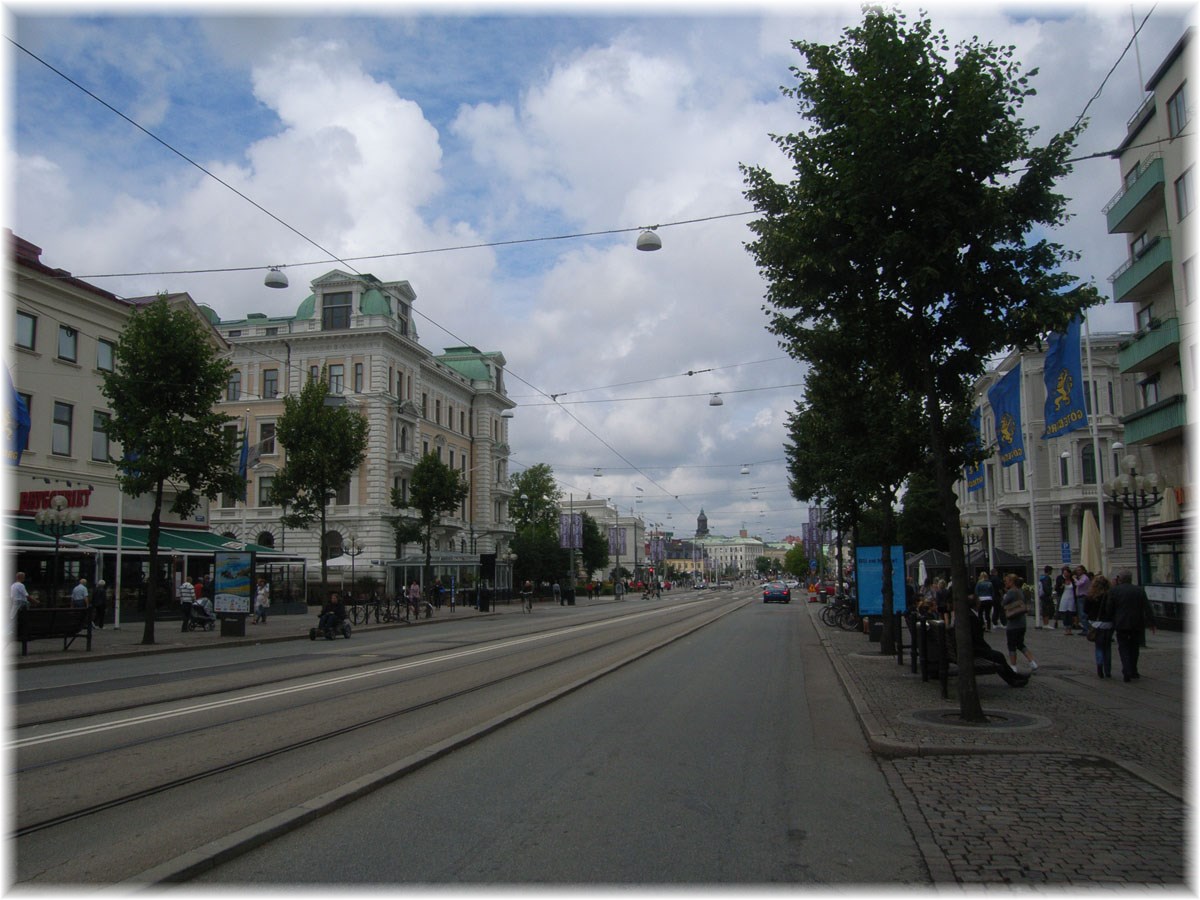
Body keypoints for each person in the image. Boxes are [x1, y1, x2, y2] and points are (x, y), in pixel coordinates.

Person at [968, 595, 1029, 687]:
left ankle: (1014, 676)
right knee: (998, 656)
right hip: (974, 649)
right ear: (976, 604)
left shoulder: (969, 615)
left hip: (971, 648)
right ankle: (1012, 679)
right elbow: (977, 638)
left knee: (998, 656)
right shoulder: (971, 617)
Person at [1110, 570, 1156, 683]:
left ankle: (1126, 669)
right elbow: (1147, 607)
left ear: (1120, 579)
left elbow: (1109, 608)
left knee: (1123, 647)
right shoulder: (1139, 590)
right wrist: (1152, 622)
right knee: (1134, 647)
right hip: (1136, 623)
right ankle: (1133, 670)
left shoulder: (1115, 590)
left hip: (1121, 623)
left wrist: (1112, 620)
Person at [1001, 574, 1038, 674]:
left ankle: (1013, 666)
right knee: (1020, 644)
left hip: (1013, 623)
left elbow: (1003, 603)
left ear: (1011, 582)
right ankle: (1032, 662)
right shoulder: (1020, 591)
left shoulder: (1011, 592)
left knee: (1011, 645)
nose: (1005, 583)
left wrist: (1004, 594)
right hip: (1022, 622)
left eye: (1007, 581)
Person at [1088, 575, 1115, 678]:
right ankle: (1108, 670)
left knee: (1098, 646)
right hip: (1108, 624)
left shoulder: (1091, 596)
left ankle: (1099, 665)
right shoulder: (1110, 595)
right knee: (1107, 647)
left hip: (1096, 624)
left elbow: (1086, 610)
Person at [1057, 565, 1077, 635]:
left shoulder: (1073, 580)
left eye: (1066, 573)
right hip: (1064, 597)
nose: (1065, 574)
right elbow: (1057, 588)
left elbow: (1076, 587)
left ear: (1069, 573)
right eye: (1064, 573)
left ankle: (1070, 628)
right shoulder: (1061, 580)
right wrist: (1061, 586)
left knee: (1070, 613)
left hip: (1071, 598)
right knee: (1065, 613)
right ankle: (1066, 628)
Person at [1073, 566, 1092, 632]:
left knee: (1083, 615)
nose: (1078, 572)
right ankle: (1085, 629)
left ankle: (1088, 630)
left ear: (1083, 571)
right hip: (1080, 597)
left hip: (1083, 597)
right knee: (1082, 614)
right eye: (1077, 570)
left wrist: (1075, 579)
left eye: (1079, 570)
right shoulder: (1081, 577)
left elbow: (1079, 584)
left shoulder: (1084, 577)